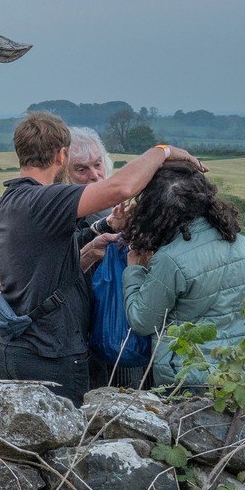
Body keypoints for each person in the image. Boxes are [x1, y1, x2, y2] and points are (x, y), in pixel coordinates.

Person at [0, 110, 199, 403]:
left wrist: (102, 230)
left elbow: (48, 258)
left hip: (17, 348)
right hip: (51, 352)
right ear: (62, 156)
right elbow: (120, 188)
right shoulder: (46, 199)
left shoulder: (10, 200)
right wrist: (161, 151)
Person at [122, 162, 245, 389]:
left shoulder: (170, 260)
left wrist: (134, 270)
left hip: (191, 375)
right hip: (244, 370)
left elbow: (142, 321)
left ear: (155, 210)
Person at [66, 127, 146, 389]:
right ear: (62, 171)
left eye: (98, 164)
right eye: (81, 169)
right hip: (83, 329)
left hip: (123, 329)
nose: (94, 176)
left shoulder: (117, 209)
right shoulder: (60, 214)